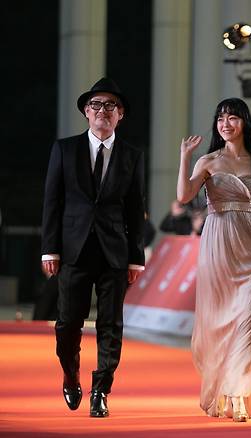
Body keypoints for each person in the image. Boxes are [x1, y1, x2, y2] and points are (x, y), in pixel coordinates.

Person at [177, 97, 251, 422]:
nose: (226, 123)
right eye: (221, 118)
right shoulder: (208, 161)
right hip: (219, 247)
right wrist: (185, 157)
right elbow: (184, 196)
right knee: (221, 323)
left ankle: (239, 395)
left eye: (233, 118)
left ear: (244, 123)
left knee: (248, 323)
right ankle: (226, 390)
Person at [41, 77, 146, 417]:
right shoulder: (64, 149)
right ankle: (71, 375)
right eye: (97, 105)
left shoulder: (131, 155)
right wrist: (49, 249)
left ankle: (101, 389)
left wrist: (136, 257)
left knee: (110, 324)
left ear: (121, 115)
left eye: (111, 106)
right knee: (68, 322)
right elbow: (52, 202)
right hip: (72, 250)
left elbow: (135, 208)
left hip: (114, 252)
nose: (103, 111)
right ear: (86, 111)